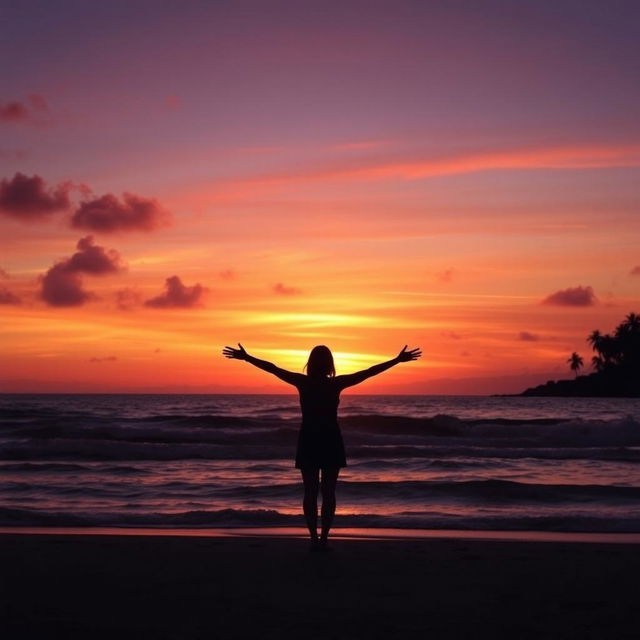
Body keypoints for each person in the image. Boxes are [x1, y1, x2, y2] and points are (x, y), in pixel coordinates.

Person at [222, 343, 422, 551]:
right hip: (330, 439)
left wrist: (247, 358)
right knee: (328, 491)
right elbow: (369, 372)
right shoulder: (335, 384)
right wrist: (396, 361)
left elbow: (273, 368)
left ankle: (314, 539)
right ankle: (324, 538)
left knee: (310, 491)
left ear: (310, 363)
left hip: (309, 439)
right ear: (330, 364)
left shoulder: (302, 382)